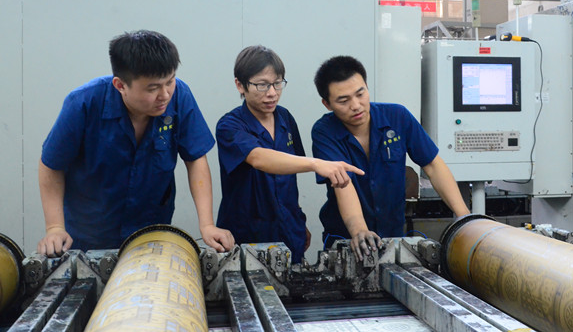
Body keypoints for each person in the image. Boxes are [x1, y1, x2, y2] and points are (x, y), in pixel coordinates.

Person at [37, 30, 234, 256]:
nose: (165, 95)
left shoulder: (180, 95)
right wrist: (55, 228)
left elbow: (196, 159)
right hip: (89, 233)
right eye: (153, 88)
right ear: (120, 85)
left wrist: (207, 224)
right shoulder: (83, 103)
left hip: (150, 231)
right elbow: (51, 165)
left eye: (170, 81)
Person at [312, 55, 470, 260]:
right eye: (343, 100)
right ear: (327, 104)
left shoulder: (397, 117)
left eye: (360, 94)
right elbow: (343, 182)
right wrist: (360, 231)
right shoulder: (324, 131)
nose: (356, 105)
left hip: (393, 235)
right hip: (346, 238)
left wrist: (464, 217)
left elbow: (432, 165)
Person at [215, 45, 364, 263]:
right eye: (262, 85)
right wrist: (316, 163)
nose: (272, 93)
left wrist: (298, 219)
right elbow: (259, 158)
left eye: (277, 83)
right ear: (240, 85)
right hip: (247, 237)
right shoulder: (230, 126)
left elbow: (289, 173)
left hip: (288, 232)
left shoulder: (285, 118)